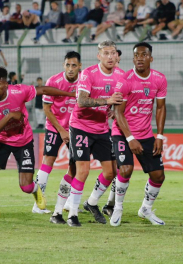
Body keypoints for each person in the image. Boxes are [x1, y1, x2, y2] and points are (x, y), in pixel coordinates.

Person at [0, 66, 75, 223]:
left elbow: (43, 90)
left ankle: (36, 191)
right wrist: (9, 117)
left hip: (23, 141)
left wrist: (69, 94)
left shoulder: (18, 91)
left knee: (26, 187)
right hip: (1, 140)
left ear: (6, 84)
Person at [66, 40, 124, 227]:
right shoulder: (88, 74)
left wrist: (114, 110)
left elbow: (120, 101)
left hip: (101, 129)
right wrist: (107, 101)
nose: (110, 56)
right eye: (106, 53)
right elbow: (82, 101)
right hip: (81, 126)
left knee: (110, 172)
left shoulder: (121, 75)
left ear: (117, 56)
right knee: (83, 170)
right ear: (99, 56)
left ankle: (91, 202)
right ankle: (72, 214)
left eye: (113, 53)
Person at [108, 42, 167, 227]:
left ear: (151, 58)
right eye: (136, 55)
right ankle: (117, 208)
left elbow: (161, 108)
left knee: (158, 176)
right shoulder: (125, 80)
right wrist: (130, 139)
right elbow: (117, 113)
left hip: (146, 134)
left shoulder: (159, 79)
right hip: (122, 133)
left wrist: (159, 136)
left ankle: (146, 209)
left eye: (143, 55)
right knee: (125, 169)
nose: (139, 58)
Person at [33, 51, 80, 219]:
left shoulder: (83, 81)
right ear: (63, 65)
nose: (70, 68)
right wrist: (61, 129)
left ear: (79, 66)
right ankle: (38, 204)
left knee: (77, 165)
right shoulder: (54, 81)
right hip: (55, 127)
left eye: (74, 65)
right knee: (48, 161)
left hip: (75, 129)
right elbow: (47, 108)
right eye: (68, 65)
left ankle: (68, 202)